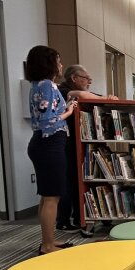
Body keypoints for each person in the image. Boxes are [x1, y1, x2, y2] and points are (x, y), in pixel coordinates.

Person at [26, 45, 77, 255]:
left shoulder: (36, 85)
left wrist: (64, 107)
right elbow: (49, 122)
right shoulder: (48, 85)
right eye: (58, 60)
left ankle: (49, 240)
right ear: (49, 63)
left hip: (41, 143)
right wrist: (69, 112)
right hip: (49, 143)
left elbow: (45, 114)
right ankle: (48, 245)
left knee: (47, 195)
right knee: (52, 196)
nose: (61, 65)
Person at [57, 64, 115, 232]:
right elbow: (83, 95)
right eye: (86, 78)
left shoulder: (74, 91)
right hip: (65, 144)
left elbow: (92, 96)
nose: (89, 81)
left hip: (77, 143)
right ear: (74, 78)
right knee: (68, 182)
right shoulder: (62, 91)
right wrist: (104, 98)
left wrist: (105, 97)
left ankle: (78, 217)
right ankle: (63, 220)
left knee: (77, 180)